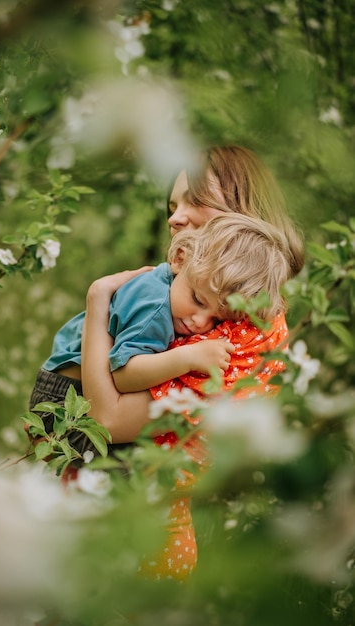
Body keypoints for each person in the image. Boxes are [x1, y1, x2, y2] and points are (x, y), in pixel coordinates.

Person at [76, 145, 304, 579]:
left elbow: (105, 417)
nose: (174, 217)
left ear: (242, 214)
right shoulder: (191, 289)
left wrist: (98, 300)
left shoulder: (244, 327)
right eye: (172, 204)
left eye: (195, 202)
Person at [29, 210, 292, 457]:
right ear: (179, 258)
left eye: (216, 318)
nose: (200, 321)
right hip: (66, 401)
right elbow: (123, 376)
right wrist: (188, 357)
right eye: (199, 300)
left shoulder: (177, 283)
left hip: (69, 392)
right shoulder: (155, 310)